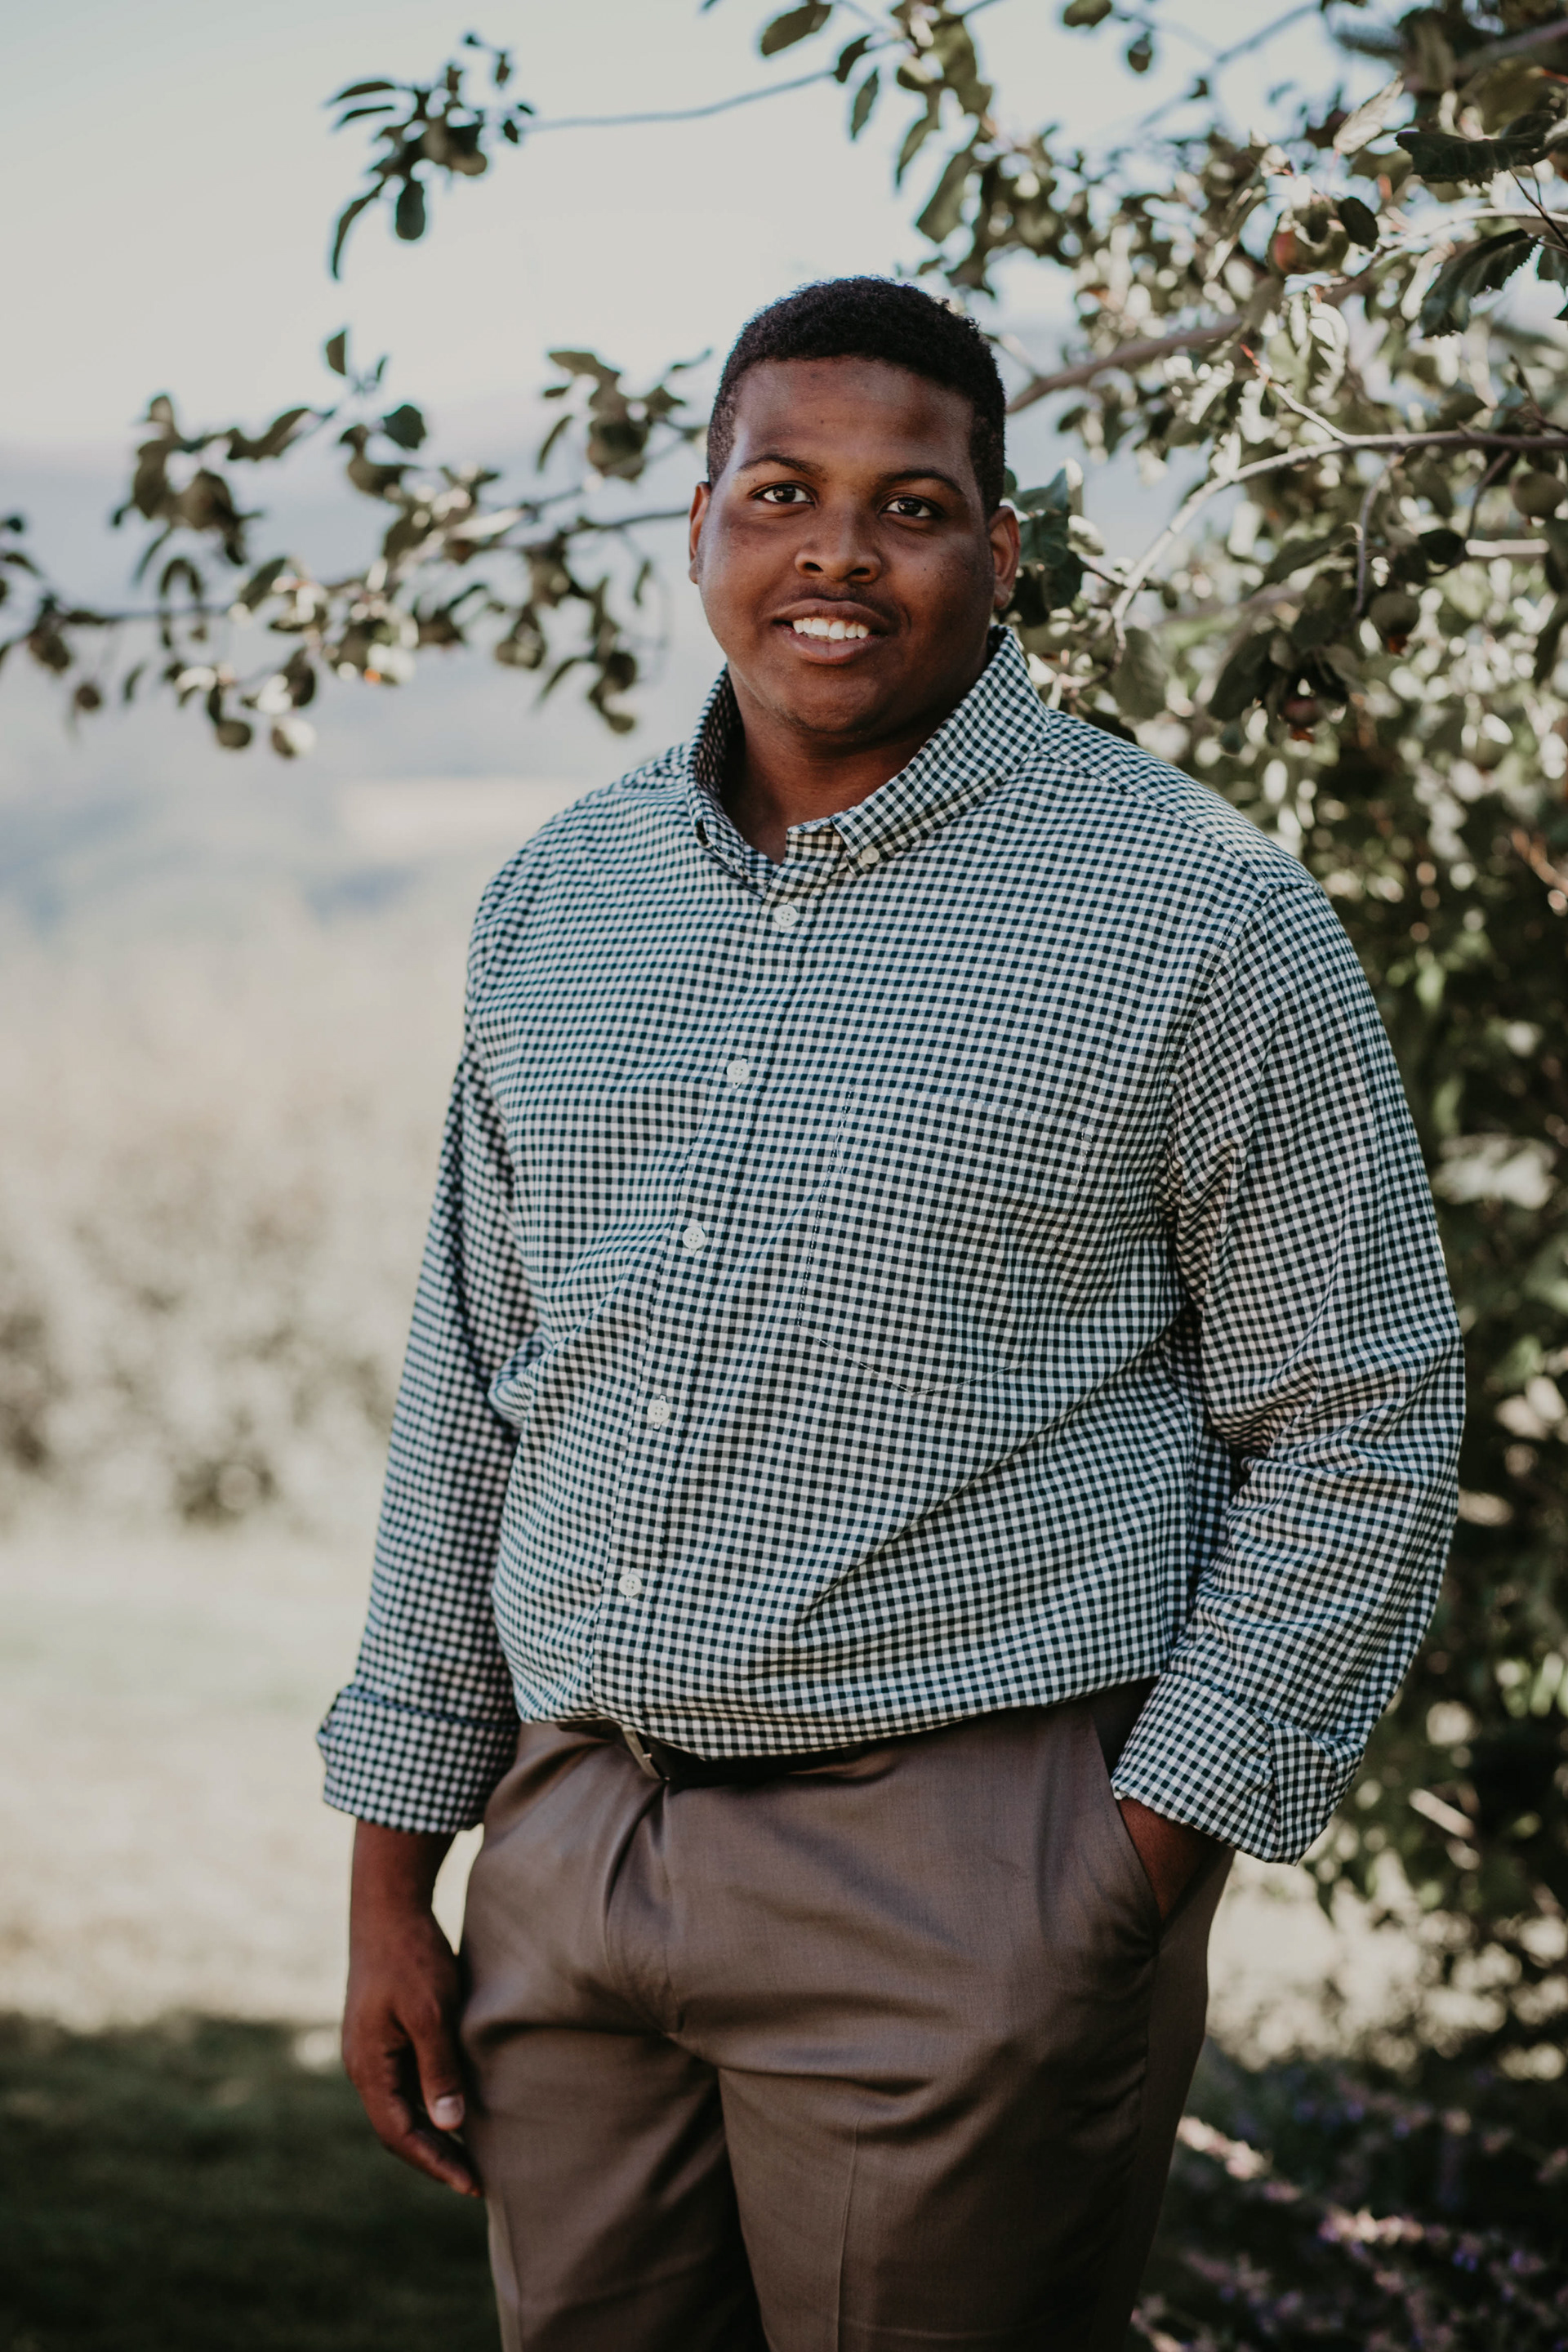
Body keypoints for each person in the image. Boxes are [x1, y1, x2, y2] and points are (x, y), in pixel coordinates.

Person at [319, 276, 1463, 2350]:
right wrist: (395, 1869)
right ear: (700, 526)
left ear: (998, 550)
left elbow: (1361, 1418)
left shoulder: (1200, 914)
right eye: (781, 492)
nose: (835, 553)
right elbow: (474, 1389)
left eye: (909, 506)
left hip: (965, 1876)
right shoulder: (561, 899)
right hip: (570, 1852)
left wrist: (1113, 1874)